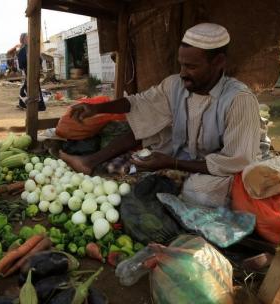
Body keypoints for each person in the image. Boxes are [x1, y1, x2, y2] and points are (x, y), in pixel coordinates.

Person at [60, 23, 262, 207]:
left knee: (199, 194)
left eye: (191, 67)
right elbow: (139, 102)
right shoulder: (175, 84)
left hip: (221, 168)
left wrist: (171, 164)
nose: (183, 73)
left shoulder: (239, 100)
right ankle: (88, 162)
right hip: (184, 154)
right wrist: (96, 109)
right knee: (149, 125)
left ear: (219, 62)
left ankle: (180, 183)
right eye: (181, 64)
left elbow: (236, 161)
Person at [8, 33, 46, 111]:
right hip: (30, 71)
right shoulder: (24, 50)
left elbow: (39, 60)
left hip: (33, 70)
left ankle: (26, 104)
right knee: (31, 86)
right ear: (23, 40)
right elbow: (22, 65)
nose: (29, 39)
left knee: (32, 86)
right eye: (27, 38)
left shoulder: (29, 49)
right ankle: (38, 105)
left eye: (29, 38)